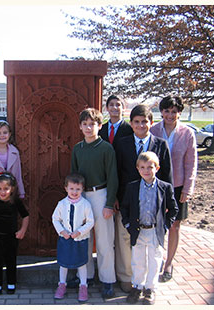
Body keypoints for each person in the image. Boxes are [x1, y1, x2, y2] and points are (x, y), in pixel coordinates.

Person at [115, 104, 173, 291]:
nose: (141, 126)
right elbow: (116, 172)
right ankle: (127, 277)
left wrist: (165, 203)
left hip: (152, 201)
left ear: (152, 122)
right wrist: (115, 197)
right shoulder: (122, 143)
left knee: (150, 244)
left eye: (144, 122)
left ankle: (149, 281)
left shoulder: (160, 144)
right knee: (126, 238)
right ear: (131, 124)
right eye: (137, 122)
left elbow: (166, 176)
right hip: (127, 200)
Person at [70, 108, 118, 299]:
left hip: (101, 194)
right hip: (82, 197)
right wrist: (74, 199)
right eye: (85, 124)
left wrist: (109, 203)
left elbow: (113, 177)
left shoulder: (106, 148)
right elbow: (74, 175)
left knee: (105, 240)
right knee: (84, 239)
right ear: (80, 127)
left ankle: (108, 280)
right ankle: (86, 276)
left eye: (93, 124)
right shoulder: (77, 149)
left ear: (99, 125)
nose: (89, 128)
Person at [150, 95, 197, 282]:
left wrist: (188, 188)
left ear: (179, 113)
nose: (170, 115)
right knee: (156, 223)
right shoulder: (153, 130)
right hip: (156, 184)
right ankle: (156, 259)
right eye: (167, 111)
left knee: (175, 225)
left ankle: (169, 263)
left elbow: (191, 163)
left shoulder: (187, 133)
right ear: (161, 112)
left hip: (177, 186)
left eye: (174, 111)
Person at [121, 152, 178, 305]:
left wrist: (165, 225)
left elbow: (173, 209)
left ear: (157, 168)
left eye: (150, 167)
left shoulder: (164, 188)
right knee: (138, 260)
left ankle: (150, 289)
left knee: (154, 260)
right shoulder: (132, 187)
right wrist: (127, 224)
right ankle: (137, 286)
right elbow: (124, 208)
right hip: (138, 230)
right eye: (143, 167)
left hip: (154, 230)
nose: (146, 171)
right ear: (138, 169)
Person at [99, 95, 133, 293]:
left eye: (118, 104)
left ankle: (124, 275)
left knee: (122, 237)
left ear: (123, 107)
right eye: (111, 105)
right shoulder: (101, 130)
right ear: (106, 108)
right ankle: (105, 274)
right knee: (105, 236)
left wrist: (119, 194)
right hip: (103, 188)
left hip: (123, 188)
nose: (114, 108)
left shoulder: (129, 130)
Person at [0, 172, 29, 295]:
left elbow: (25, 216)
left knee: (11, 260)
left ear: (12, 189)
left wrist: (22, 230)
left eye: (6, 189)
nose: (3, 192)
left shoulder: (15, 201)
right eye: (0, 189)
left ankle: (11, 283)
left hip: (11, 237)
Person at [52, 173, 94, 302]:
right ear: (66, 188)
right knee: (63, 264)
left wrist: (79, 232)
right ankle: (62, 284)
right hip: (65, 238)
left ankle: (83, 286)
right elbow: (55, 219)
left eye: (78, 189)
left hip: (79, 239)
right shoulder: (62, 204)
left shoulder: (85, 204)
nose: (74, 192)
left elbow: (90, 221)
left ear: (82, 189)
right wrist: (62, 231)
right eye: (71, 189)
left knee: (81, 263)